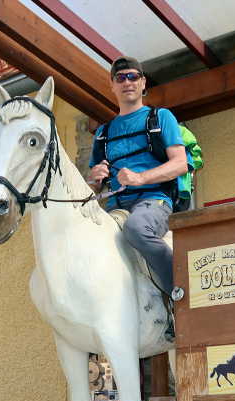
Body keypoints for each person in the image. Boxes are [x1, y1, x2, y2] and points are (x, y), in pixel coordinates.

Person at [89, 56, 188, 303]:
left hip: (154, 201)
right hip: (115, 207)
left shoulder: (160, 117)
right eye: (121, 78)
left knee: (137, 229)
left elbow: (180, 164)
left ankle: (179, 297)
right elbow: (93, 185)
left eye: (133, 76)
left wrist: (140, 177)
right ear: (112, 85)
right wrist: (94, 179)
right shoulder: (103, 133)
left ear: (143, 83)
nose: (127, 82)